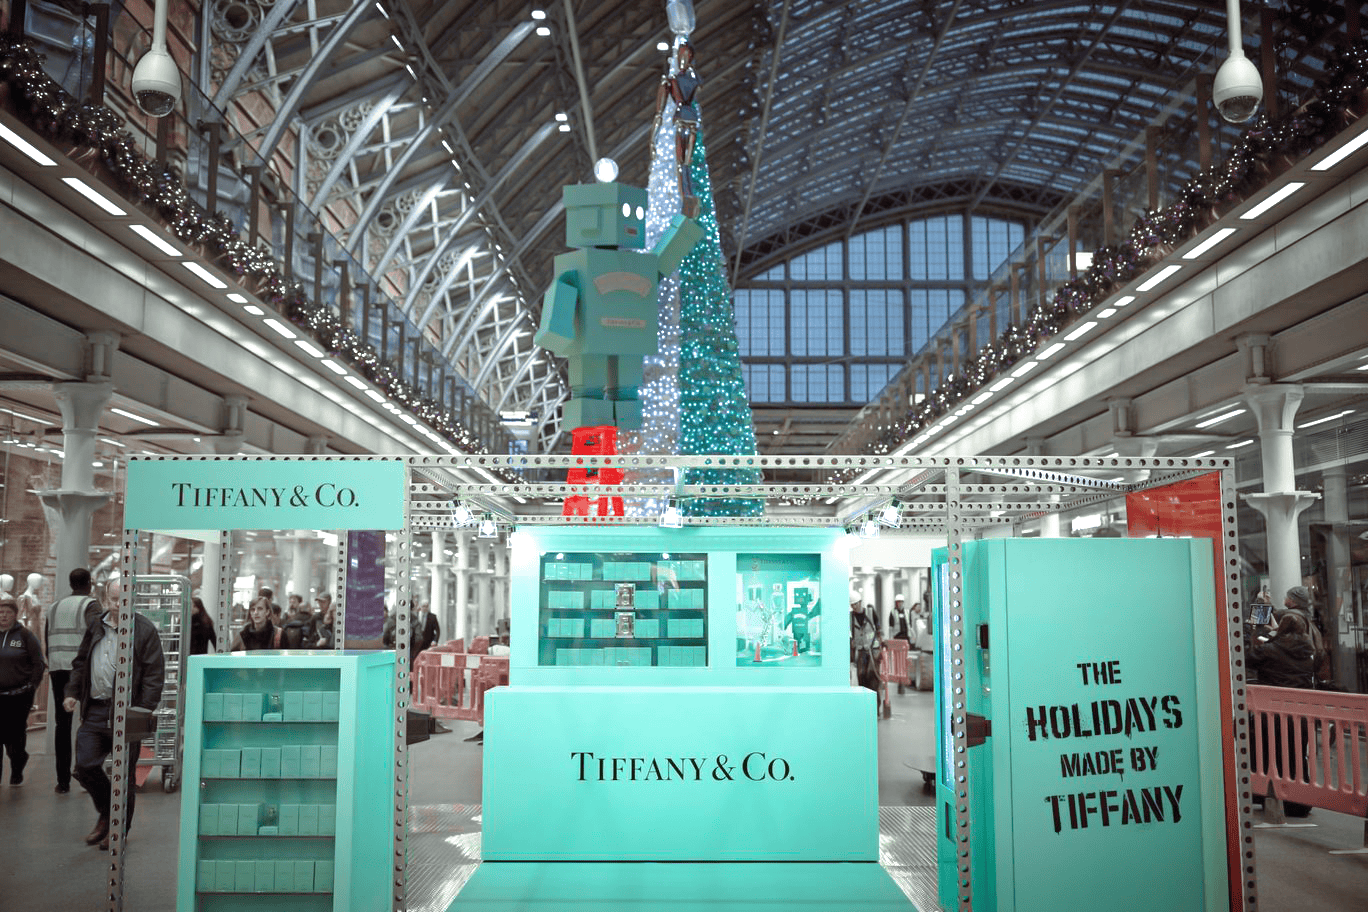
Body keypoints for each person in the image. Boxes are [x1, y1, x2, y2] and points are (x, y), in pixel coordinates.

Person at [64, 577, 165, 848]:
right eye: (113, 599)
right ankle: (107, 814)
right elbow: (81, 662)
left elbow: (155, 675)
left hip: (128, 711)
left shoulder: (144, 630)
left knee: (124, 775)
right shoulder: (97, 624)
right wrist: (72, 693)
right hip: (96, 710)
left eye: (124, 600)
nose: (118, 606)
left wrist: (141, 711)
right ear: (105, 599)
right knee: (84, 767)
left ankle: (118, 831)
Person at [1248, 610, 1317, 817]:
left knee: (1269, 755)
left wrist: (1259, 621)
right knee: (1296, 756)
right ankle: (1298, 803)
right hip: (1301, 714)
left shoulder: (1270, 649)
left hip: (1272, 714)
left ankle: (1264, 794)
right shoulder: (1310, 651)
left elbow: (1246, 658)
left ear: (1282, 629)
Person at [46, 568, 103, 793]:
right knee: (89, 721)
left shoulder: (54, 607)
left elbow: (46, 637)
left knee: (62, 724)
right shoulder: (90, 605)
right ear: (89, 583)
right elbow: (98, 634)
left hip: (58, 667)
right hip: (82, 670)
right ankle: (84, 772)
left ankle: (62, 781)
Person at [653, 40, 702, 215]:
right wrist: (653, 140)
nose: (683, 59)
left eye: (686, 56)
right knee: (683, 163)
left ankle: (687, 198)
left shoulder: (688, 79)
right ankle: (686, 197)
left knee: (685, 163)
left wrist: (654, 139)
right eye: (681, 56)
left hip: (686, 120)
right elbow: (659, 112)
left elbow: (659, 113)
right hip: (686, 120)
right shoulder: (678, 80)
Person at [0, 595, 46, 786]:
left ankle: (18, 765)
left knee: (14, 737)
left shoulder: (25, 636)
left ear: (15, 615)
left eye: (7, 612)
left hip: (19, 696)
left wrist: (31, 687)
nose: (3, 616)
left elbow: (38, 664)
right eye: (0, 612)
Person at [850, 594, 882, 701]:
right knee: (861, 676)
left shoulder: (870, 613)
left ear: (860, 602)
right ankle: (865, 704)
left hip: (873, 651)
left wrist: (880, 645)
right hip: (860, 652)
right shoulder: (850, 617)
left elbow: (878, 630)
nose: (854, 606)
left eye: (856, 604)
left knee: (873, 677)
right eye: (852, 605)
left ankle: (875, 707)